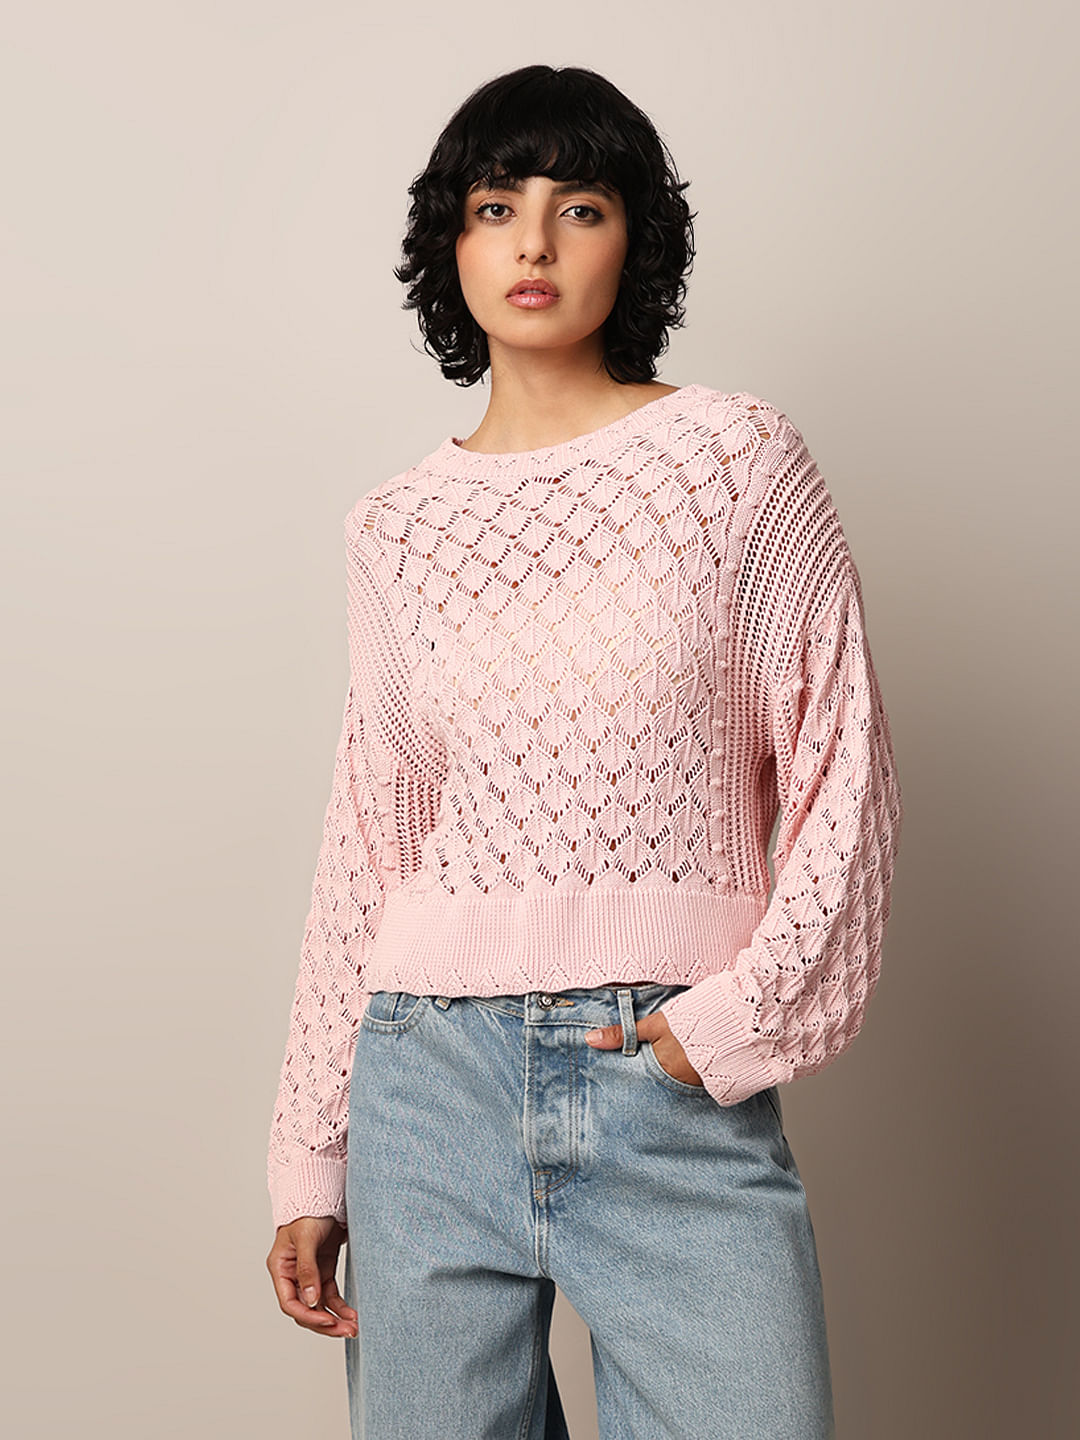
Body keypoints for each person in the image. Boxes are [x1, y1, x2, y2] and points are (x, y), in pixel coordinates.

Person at [265, 64, 903, 1440]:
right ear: (453, 245)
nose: (537, 244)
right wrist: (312, 1158)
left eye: (583, 206)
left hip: (663, 1071)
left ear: (635, 240)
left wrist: (728, 1027)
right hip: (425, 1083)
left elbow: (841, 770)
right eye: (497, 207)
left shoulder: (737, 461)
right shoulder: (396, 527)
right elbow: (371, 840)